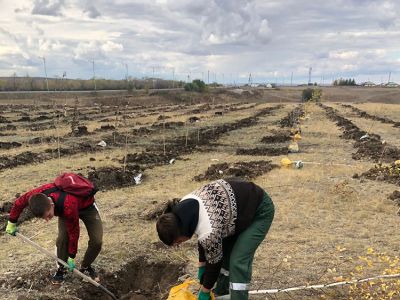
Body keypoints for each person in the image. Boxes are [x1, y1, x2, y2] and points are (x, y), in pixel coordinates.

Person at [156, 178, 275, 300]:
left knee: (237, 261)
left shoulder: (208, 229)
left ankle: (239, 298)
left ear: (182, 230)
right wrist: (202, 264)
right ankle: (221, 293)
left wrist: (205, 291)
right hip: (237, 212)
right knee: (224, 252)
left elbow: (214, 262)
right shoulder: (184, 209)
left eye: (179, 241)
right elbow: (200, 232)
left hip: (259, 211)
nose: (180, 244)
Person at [5, 173, 103, 284]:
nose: (47, 220)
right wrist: (12, 222)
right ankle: (62, 268)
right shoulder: (39, 194)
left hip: (86, 207)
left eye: (49, 216)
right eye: (44, 218)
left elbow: (74, 232)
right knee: (62, 239)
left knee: (97, 241)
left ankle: (85, 266)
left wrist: (72, 256)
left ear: (51, 205)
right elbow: (19, 202)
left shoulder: (68, 205)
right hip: (66, 210)